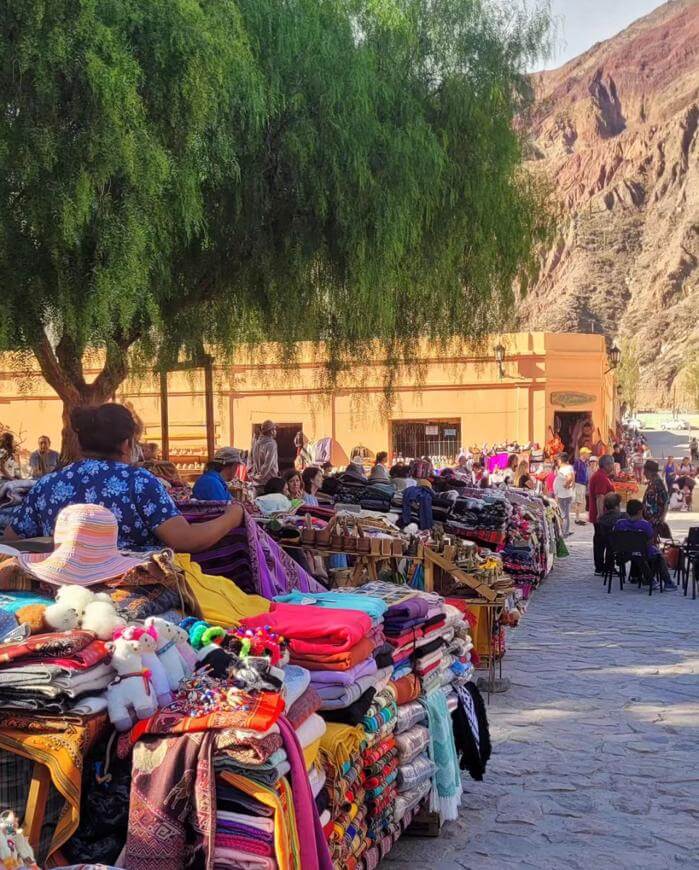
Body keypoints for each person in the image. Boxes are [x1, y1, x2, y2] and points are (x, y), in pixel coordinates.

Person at [4, 403, 243, 551]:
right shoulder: (138, 481)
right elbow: (185, 540)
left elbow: (11, 541)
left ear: (81, 442)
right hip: (129, 587)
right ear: (127, 443)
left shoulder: (48, 484)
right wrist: (232, 517)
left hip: (62, 590)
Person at [615, 499, 676, 590]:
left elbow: (616, 537)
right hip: (642, 552)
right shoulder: (645, 525)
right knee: (658, 556)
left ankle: (650, 580)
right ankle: (668, 582)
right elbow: (650, 542)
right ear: (640, 511)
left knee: (638, 555)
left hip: (624, 553)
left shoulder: (619, 523)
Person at [593, 491, 627, 574]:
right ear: (617, 506)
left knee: (610, 544)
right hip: (624, 546)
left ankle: (605, 567)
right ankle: (635, 575)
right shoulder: (623, 517)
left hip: (609, 545)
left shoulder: (602, 520)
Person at [642, 459, 669, 540]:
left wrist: (662, 518)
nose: (643, 473)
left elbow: (666, 501)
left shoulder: (658, 484)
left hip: (654, 521)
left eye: (645, 471)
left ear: (650, 472)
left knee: (651, 543)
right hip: (649, 520)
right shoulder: (653, 482)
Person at [250, 420, 279, 491]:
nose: (275, 431)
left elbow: (251, 460)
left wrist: (255, 476)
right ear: (271, 431)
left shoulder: (257, 443)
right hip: (269, 482)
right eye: (274, 429)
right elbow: (268, 464)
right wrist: (260, 476)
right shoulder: (271, 444)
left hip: (257, 482)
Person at [588, 454, 615, 525]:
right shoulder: (600, 476)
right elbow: (600, 496)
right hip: (601, 515)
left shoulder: (603, 475)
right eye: (612, 464)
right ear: (607, 465)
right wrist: (600, 515)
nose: (613, 467)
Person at [553, 452, 575, 535]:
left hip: (563, 495)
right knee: (565, 514)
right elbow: (572, 477)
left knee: (564, 514)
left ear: (560, 460)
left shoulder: (565, 468)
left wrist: (566, 485)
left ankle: (564, 532)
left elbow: (570, 477)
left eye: (558, 459)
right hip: (564, 494)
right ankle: (565, 530)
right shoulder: (568, 467)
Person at [572, 447, 591, 525]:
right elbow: (574, 473)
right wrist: (573, 483)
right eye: (587, 453)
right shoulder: (578, 462)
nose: (588, 455)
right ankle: (577, 518)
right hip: (578, 483)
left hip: (583, 484)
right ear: (583, 454)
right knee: (578, 502)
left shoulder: (584, 463)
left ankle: (578, 517)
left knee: (580, 502)